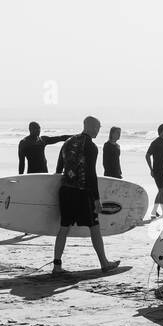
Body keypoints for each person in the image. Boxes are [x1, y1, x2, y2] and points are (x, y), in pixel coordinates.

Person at [52, 116, 121, 276]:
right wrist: (97, 199)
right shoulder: (91, 146)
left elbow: (59, 169)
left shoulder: (68, 142)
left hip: (65, 190)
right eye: (97, 127)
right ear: (89, 127)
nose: (98, 130)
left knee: (64, 227)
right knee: (94, 226)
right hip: (82, 192)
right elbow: (91, 174)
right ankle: (104, 263)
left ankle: (57, 265)